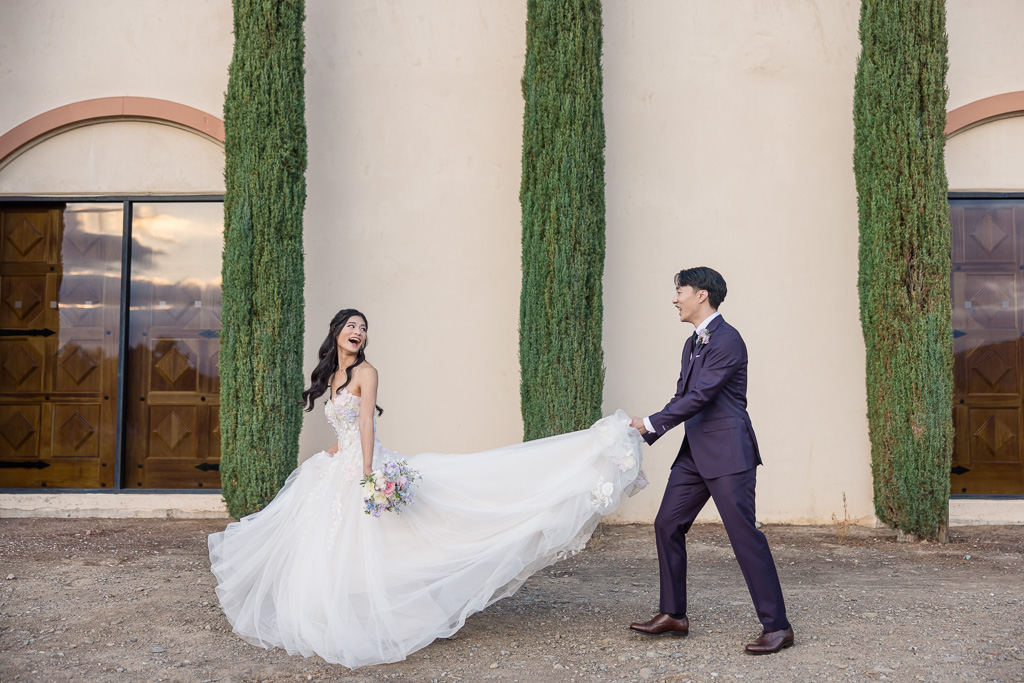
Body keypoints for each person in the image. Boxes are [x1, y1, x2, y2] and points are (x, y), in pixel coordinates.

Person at [208, 308, 646, 669]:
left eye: (363, 328)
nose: (358, 332)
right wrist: (330, 455)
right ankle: (350, 610)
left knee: (422, 518)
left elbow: (366, 424)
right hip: (342, 462)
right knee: (345, 543)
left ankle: (589, 455)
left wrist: (366, 474)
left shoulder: (366, 372)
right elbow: (344, 426)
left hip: (365, 464)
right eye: (352, 326)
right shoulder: (334, 376)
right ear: (337, 333)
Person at [628, 267, 793, 655]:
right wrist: (646, 428)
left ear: (702, 295)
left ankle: (778, 627)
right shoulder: (691, 344)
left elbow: (701, 396)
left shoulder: (728, 340)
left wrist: (652, 422)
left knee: (743, 536)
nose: (675, 298)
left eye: (679, 291)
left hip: (729, 452)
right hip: (694, 454)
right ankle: (673, 614)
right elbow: (681, 396)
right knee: (667, 523)